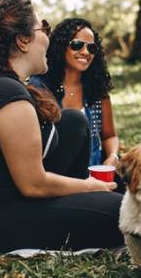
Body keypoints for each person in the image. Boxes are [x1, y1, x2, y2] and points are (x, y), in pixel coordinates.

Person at [0, 0, 123, 253]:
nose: (48, 36)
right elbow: (33, 184)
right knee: (123, 213)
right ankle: (89, 202)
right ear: (23, 41)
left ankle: (84, 202)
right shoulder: (5, 94)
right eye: (43, 27)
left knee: (74, 121)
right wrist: (90, 186)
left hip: (4, 195)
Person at [31, 18, 120, 167]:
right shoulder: (39, 87)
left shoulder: (97, 89)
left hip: (94, 177)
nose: (86, 52)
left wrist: (113, 157)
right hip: (55, 177)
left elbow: (109, 136)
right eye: (77, 45)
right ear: (61, 47)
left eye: (92, 48)